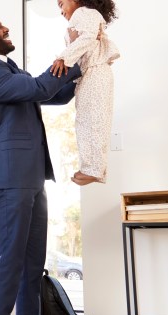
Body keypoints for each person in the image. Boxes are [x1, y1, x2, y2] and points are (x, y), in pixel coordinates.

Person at [0, 14, 82, 315]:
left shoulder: (11, 70)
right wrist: (71, 54)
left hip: (31, 177)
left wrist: (82, 72)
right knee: (8, 262)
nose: (6, 29)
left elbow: (53, 94)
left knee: (32, 261)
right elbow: (43, 86)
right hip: (10, 177)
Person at [51, 0, 120, 186]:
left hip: (95, 72)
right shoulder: (84, 16)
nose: (61, 11)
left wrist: (63, 57)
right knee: (87, 121)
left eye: (61, 4)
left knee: (94, 121)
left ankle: (94, 169)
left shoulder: (83, 12)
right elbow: (87, 41)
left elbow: (88, 37)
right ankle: (92, 168)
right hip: (90, 73)